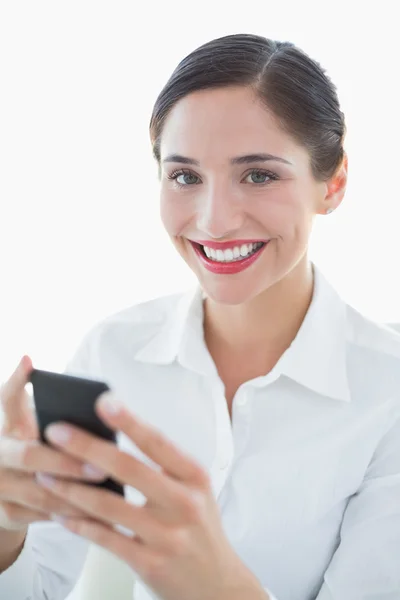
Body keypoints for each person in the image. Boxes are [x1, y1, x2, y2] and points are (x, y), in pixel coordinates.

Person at [0, 32, 399, 600]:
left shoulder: (390, 391)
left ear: (332, 184)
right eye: (185, 176)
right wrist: (6, 531)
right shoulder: (111, 354)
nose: (214, 222)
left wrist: (218, 586)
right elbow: (41, 590)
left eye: (259, 175)